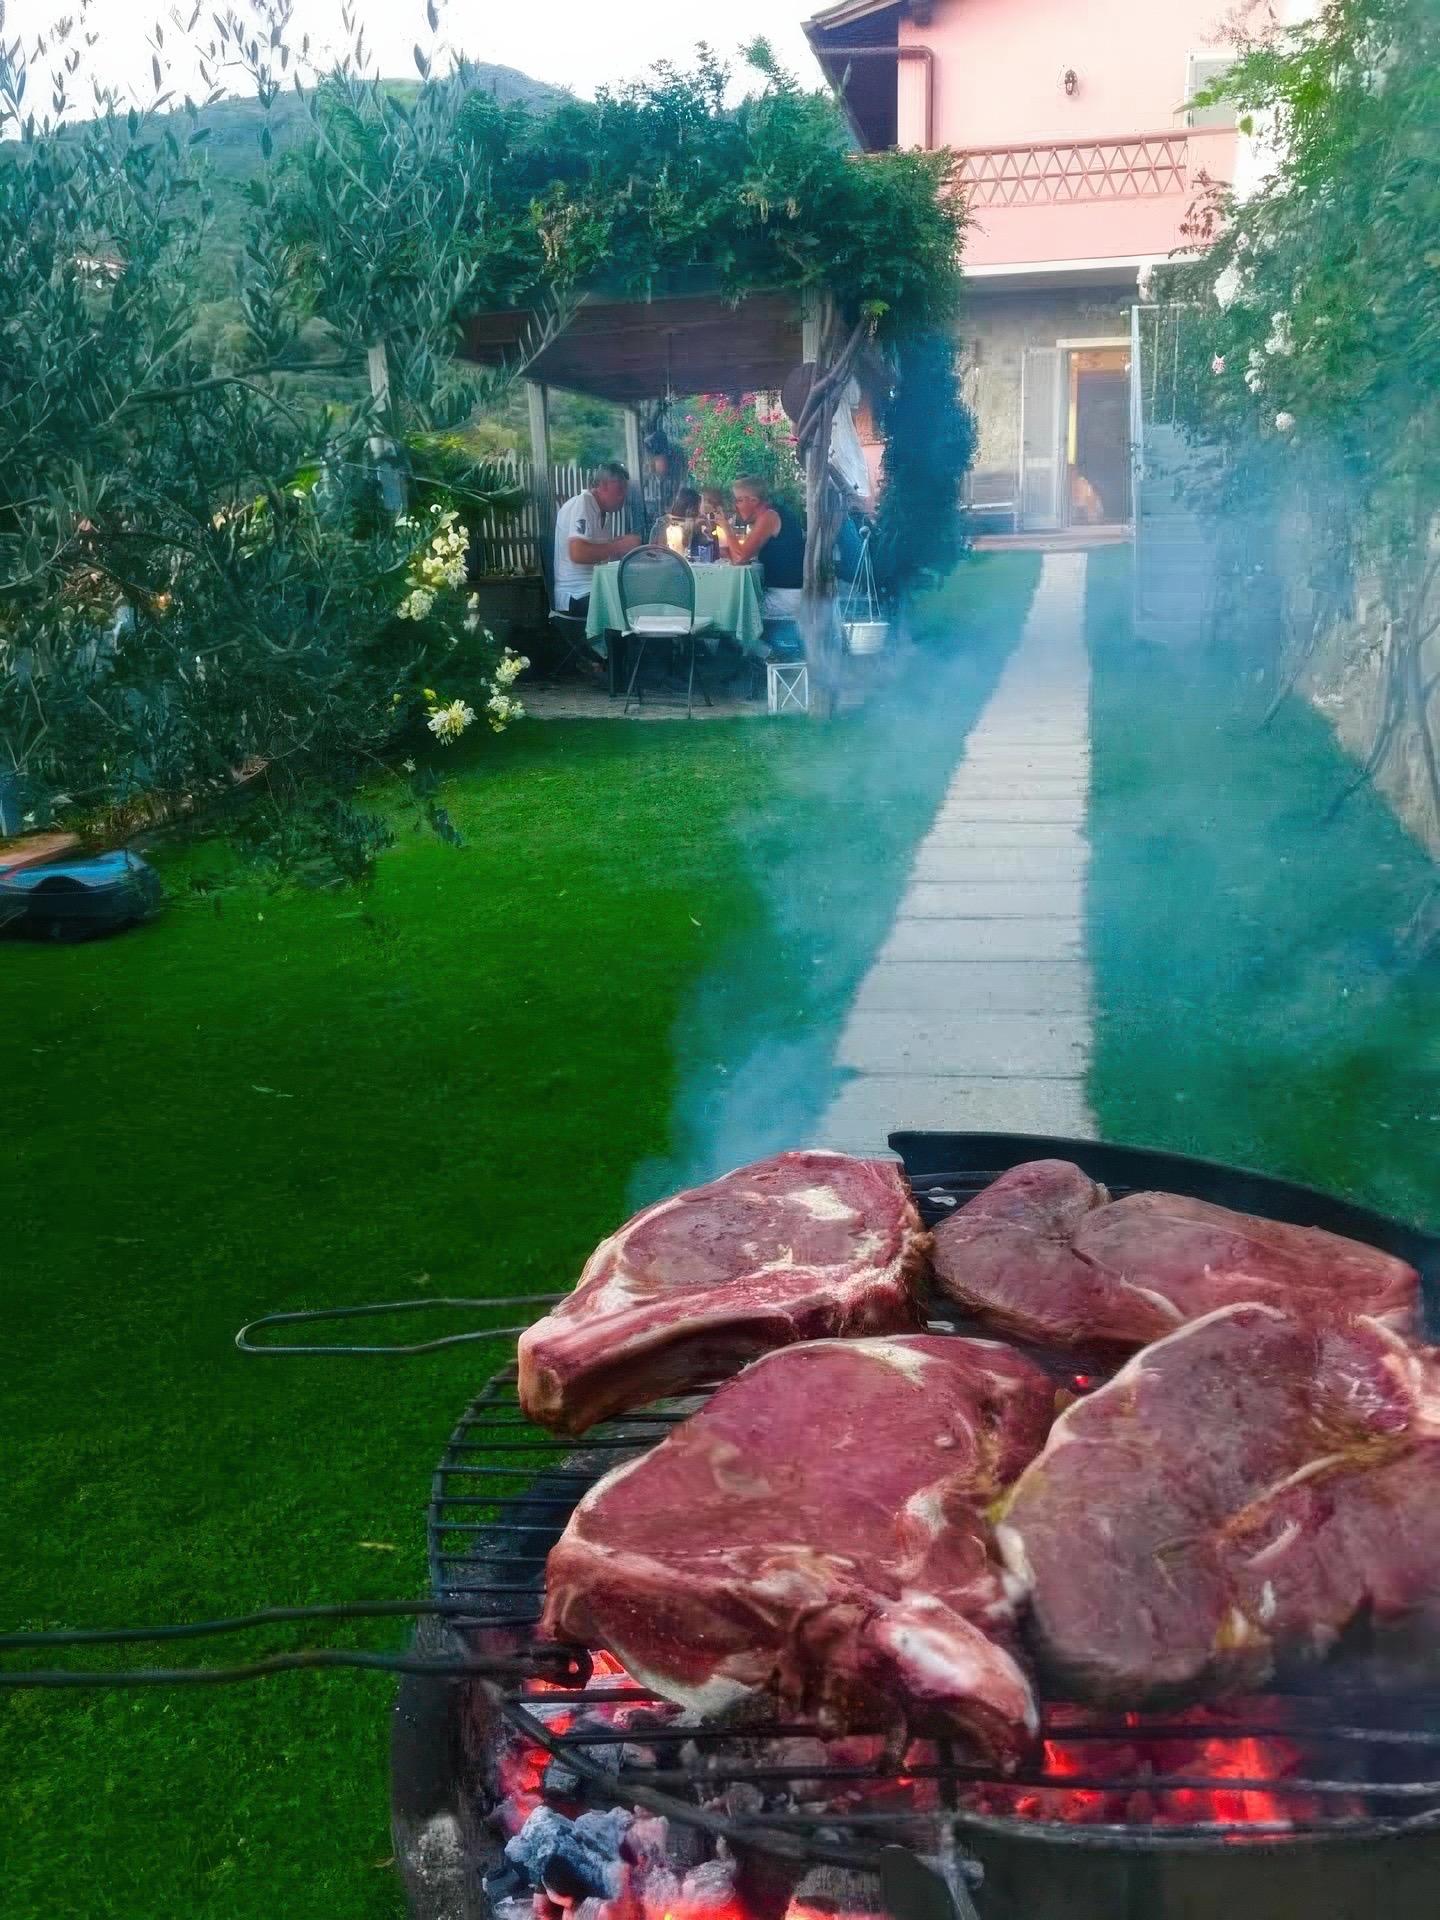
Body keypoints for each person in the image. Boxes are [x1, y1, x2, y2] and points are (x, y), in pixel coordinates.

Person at [553, 460, 640, 616]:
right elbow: (578, 553)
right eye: (620, 489)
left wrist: (622, 546)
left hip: (592, 589)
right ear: (603, 485)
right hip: (575, 594)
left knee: (636, 593)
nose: (624, 495)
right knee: (633, 604)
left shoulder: (603, 513)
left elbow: (600, 553)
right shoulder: (583, 503)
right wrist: (618, 546)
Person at [714, 474, 805, 624]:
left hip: (785, 597)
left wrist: (726, 528)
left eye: (739, 500)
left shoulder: (770, 517)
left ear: (754, 501)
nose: (735, 506)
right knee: (733, 605)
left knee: (733, 610)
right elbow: (740, 557)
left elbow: (739, 558)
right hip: (785, 594)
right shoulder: (773, 514)